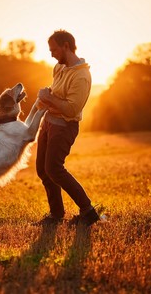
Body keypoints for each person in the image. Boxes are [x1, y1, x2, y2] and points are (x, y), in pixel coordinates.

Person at [34, 29, 100, 226]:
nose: (51, 54)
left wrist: (49, 98)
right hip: (48, 123)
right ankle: (56, 215)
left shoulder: (82, 76)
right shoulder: (59, 68)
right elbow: (55, 94)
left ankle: (88, 211)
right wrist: (45, 98)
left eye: (54, 49)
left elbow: (72, 109)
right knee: (42, 170)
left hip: (64, 127)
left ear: (66, 46)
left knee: (54, 169)